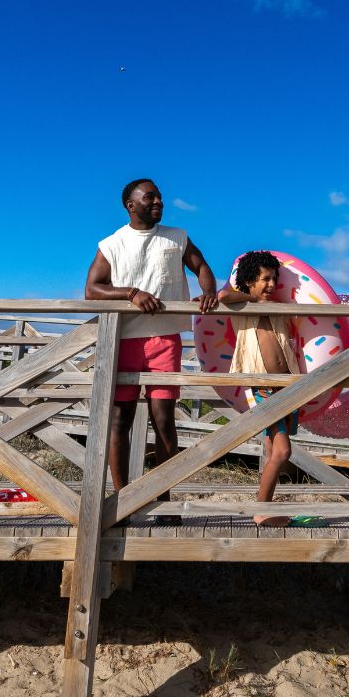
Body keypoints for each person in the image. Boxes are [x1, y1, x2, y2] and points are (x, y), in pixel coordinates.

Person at [83, 179, 218, 522]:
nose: (159, 201)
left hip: (165, 338)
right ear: (130, 204)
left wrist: (207, 292)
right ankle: (122, 501)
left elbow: (202, 267)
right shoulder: (112, 244)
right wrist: (131, 293)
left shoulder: (177, 237)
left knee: (164, 419)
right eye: (150, 197)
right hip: (124, 338)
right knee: (119, 420)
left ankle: (163, 499)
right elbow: (92, 289)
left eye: (159, 196)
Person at [218, 252, 300, 527]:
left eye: (274, 279)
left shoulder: (279, 307)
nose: (270, 284)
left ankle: (266, 505)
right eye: (265, 279)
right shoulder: (243, 306)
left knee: (271, 448)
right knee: (282, 451)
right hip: (263, 384)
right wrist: (251, 298)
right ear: (250, 282)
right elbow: (223, 296)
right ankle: (261, 509)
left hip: (287, 384)